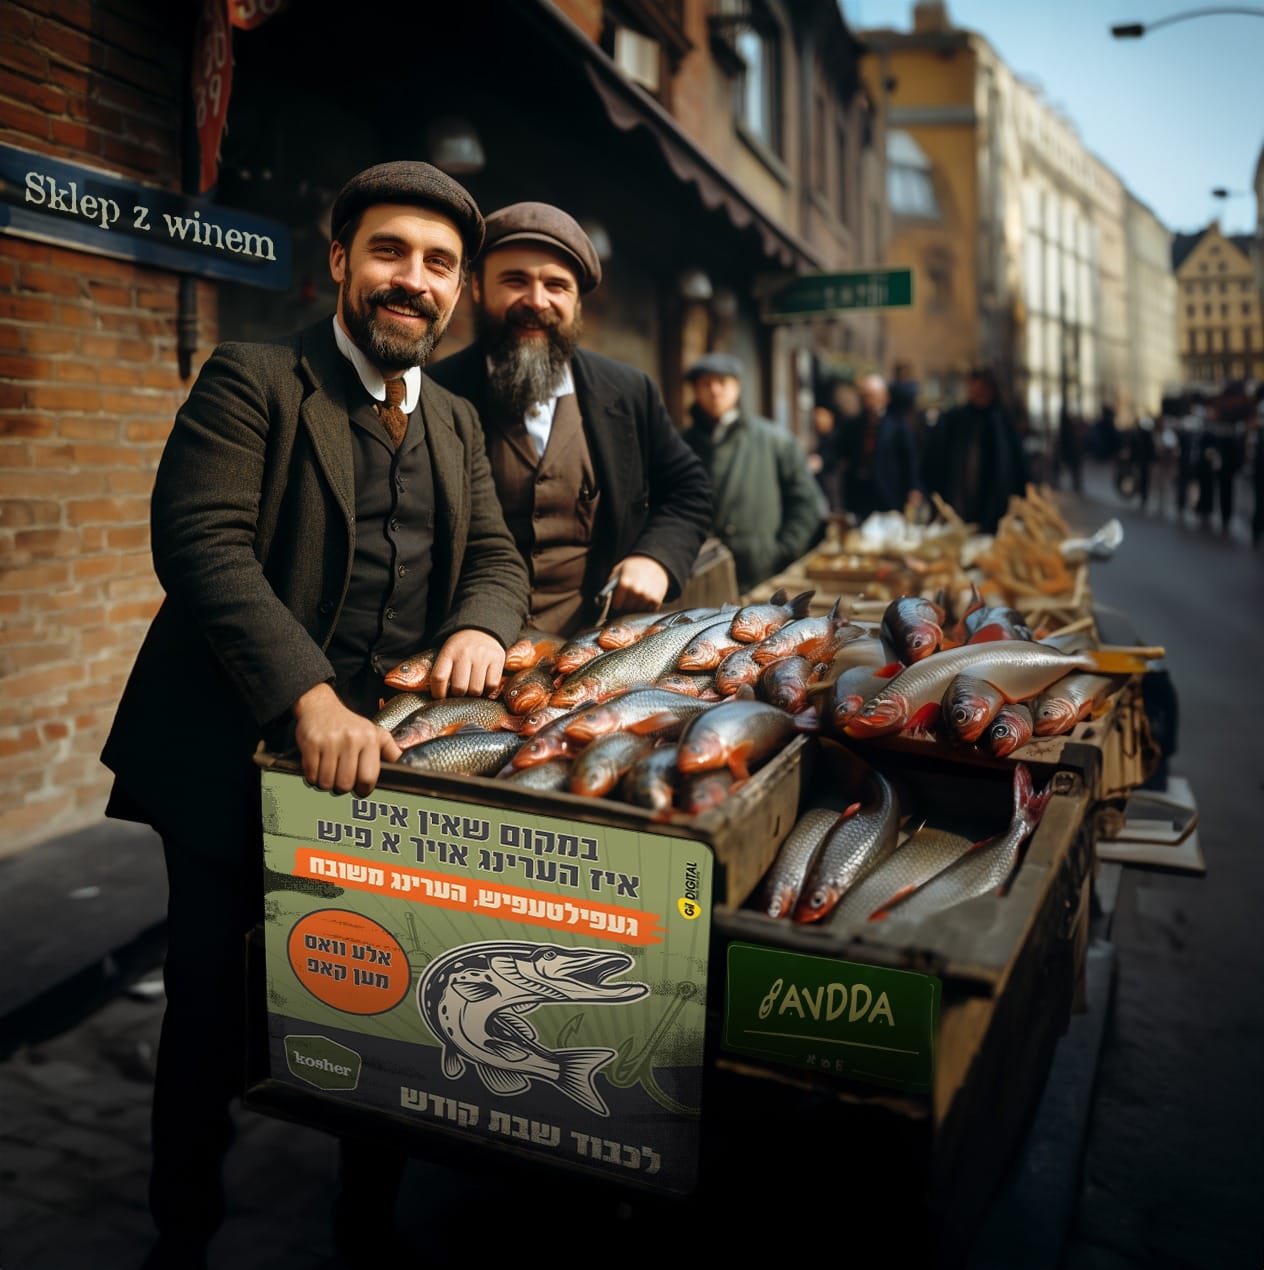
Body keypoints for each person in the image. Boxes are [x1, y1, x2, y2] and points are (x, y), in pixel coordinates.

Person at [99, 161, 530, 1270]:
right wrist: (309, 696)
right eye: (390, 252)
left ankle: (365, 1223)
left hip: (382, 772)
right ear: (339, 260)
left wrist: (480, 625)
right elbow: (201, 541)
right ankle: (180, 1232)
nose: (414, 281)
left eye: (439, 265)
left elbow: (494, 556)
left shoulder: (455, 423)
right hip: (228, 757)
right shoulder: (254, 378)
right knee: (210, 1011)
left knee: (377, 998)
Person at [427, 202, 711, 634]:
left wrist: (656, 557)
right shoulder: (432, 392)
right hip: (466, 647)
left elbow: (689, 489)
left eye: (557, 286)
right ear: (478, 289)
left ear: (577, 303)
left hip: (599, 645)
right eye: (515, 280)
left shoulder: (629, 390)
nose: (536, 301)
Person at [680, 352, 826, 591]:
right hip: (695, 574)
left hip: (761, 574)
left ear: (737, 386)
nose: (715, 390)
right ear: (695, 390)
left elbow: (807, 502)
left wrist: (780, 551)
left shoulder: (773, 439)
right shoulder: (679, 443)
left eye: (722, 382)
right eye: (706, 384)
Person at [921, 365, 1028, 534]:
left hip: (992, 504)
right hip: (958, 501)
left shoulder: (1001, 422)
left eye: (983, 388)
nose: (978, 393)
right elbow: (934, 459)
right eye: (975, 387)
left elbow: (1016, 465)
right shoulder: (954, 419)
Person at [826, 371, 922, 522]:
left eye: (871, 395)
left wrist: (913, 487)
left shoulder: (897, 426)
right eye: (864, 396)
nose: (867, 400)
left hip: (888, 491)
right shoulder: (853, 425)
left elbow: (909, 459)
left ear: (884, 397)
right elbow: (838, 451)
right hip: (860, 491)